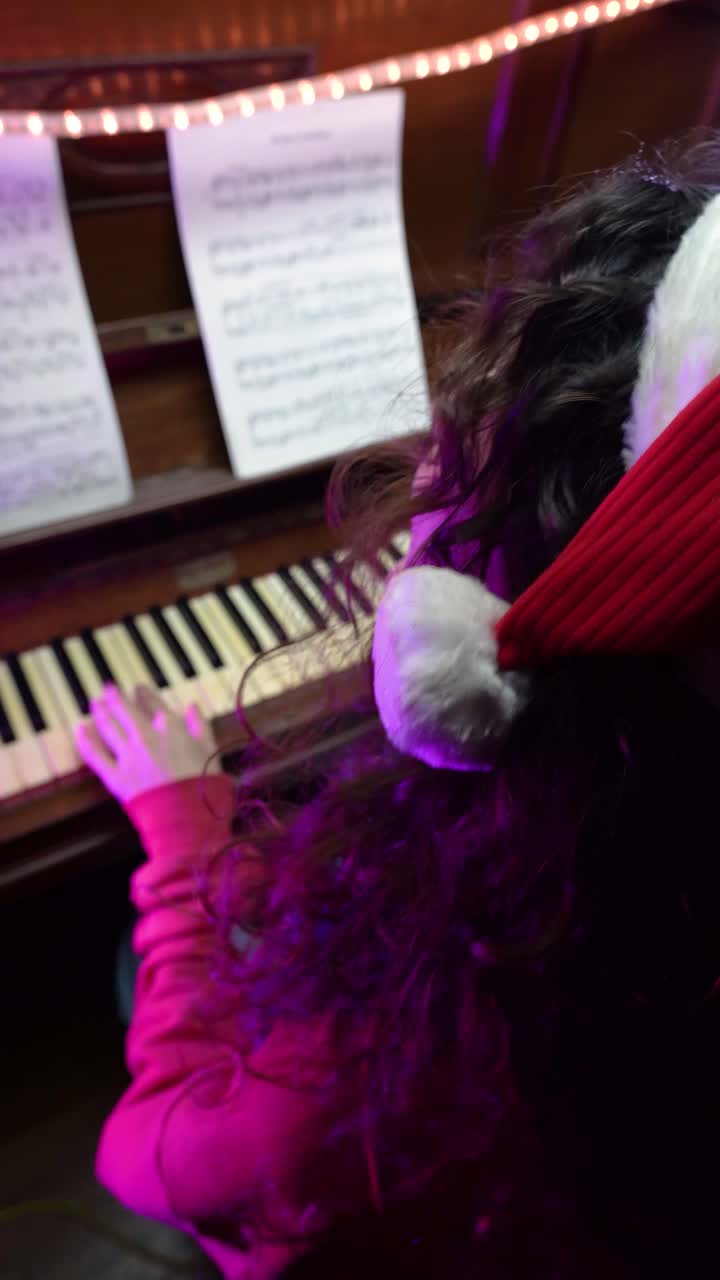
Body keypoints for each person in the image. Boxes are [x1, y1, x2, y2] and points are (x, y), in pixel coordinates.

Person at [78, 136, 720, 1280]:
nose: (422, 475)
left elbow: (144, 1154)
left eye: (457, 461)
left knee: (130, 967)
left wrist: (181, 843)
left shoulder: (390, 1065)